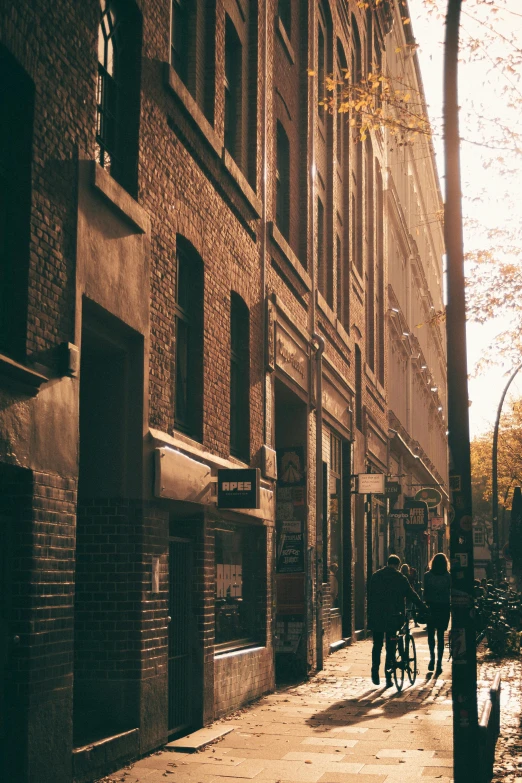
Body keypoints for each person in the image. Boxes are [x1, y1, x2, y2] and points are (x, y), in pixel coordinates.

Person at [368, 554, 425, 687]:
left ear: (387, 563)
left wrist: (370, 615)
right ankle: (389, 676)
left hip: (377, 616)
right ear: (398, 566)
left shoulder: (376, 576)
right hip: (394, 617)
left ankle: (374, 670)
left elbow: (370, 597)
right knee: (390, 646)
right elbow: (412, 595)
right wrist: (423, 607)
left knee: (377, 645)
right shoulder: (400, 578)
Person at [423, 553, 451, 676]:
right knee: (440, 635)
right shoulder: (448, 577)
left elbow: (425, 593)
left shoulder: (427, 576)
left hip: (431, 607)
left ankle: (432, 658)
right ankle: (439, 663)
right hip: (444, 607)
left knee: (430, 635)